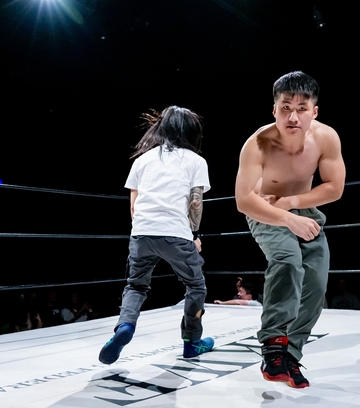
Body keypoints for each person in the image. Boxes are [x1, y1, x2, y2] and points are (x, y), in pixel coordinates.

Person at [234, 71, 346, 388]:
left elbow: (335, 187)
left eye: (301, 108)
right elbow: (243, 200)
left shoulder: (326, 138)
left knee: (316, 281)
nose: (293, 117)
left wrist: (292, 203)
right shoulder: (257, 144)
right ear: (274, 109)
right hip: (265, 209)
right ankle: (273, 347)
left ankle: (290, 355)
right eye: (285, 107)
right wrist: (284, 215)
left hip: (301, 208)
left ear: (314, 111)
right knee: (287, 259)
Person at [99, 105, 214, 365]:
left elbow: (134, 205)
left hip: (141, 232)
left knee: (135, 285)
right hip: (176, 233)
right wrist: (195, 234)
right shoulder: (196, 161)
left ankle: (125, 326)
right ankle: (192, 342)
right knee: (196, 286)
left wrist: (142, 232)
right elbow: (195, 203)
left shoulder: (142, 160)